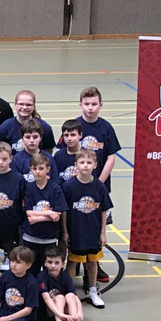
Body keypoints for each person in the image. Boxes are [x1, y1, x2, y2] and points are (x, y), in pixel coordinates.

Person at [65, 87, 120, 284]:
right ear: (80, 105)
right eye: (86, 104)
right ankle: (76, 264)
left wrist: (100, 182)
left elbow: (112, 156)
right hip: (77, 187)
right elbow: (66, 153)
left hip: (97, 187)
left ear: (100, 106)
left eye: (94, 104)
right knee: (76, 225)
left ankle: (94, 266)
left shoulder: (106, 128)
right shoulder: (74, 127)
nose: (90, 108)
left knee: (96, 226)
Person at [61, 149, 112, 308]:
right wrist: (65, 231)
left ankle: (92, 290)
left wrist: (103, 233)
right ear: (76, 165)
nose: (85, 165)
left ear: (95, 165)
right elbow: (64, 211)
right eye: (82, 162)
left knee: (92, 261)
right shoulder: (69, 186)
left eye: (89, 163)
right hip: (76, 231)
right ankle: (70, 293)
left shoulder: (99, 187)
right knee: (72, 261)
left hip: (93, 231)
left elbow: (104, 210)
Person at [22, 152, 66, 277]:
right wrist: (49, 213)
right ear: (30, 169)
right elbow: (29, 214)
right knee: (31, 270)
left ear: (48, 169)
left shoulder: (55, 189)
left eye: (41, 168)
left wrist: (38, 218)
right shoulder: (29, 188)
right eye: (34, 168)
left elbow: (57, 215)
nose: (37, 171)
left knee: (48, 272)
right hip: (30, 238)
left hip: (49, 238)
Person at [0, 142, 25, 272]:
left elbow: (22, 202)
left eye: (4, 159)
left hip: (11, 225)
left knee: (13, 256)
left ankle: (12, 284)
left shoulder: (18, 179)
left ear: (11, 159)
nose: (1, 162)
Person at [0, 246, 39, 321]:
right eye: (12, 261)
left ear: (28, 265)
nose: (13, 265)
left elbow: (28, 309)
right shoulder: (6, 276)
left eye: (18, 262)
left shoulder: (32, 282)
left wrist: (8, 319)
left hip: (22, 316)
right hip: (6, 311)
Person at [39, 247, 85, 321]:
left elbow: (75, 298)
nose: (53, 266)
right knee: (60, 297)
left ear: (63, 264)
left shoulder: (66, 278)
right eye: (50, 262)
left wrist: (80, 313)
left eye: (56, 263)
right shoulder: (42, 277)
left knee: (70, 295)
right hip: (48, 313)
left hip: (64, 315)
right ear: (45, 263)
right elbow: (47, 299)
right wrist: (60, 314)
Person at [10, 119, 45, 183]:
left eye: (35, 137)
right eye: (28, 137)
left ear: (40, 138)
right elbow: (15, 184)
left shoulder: (48, 158)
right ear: (22, 139)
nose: (31, 140)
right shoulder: (16, 160)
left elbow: (54, 182)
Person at [53, 120, 84, 184]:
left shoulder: (87, 155)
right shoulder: (58, 156)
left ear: (80, 135)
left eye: (73, 135)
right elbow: (55, 179)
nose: (69, 138)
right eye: (66, 135)